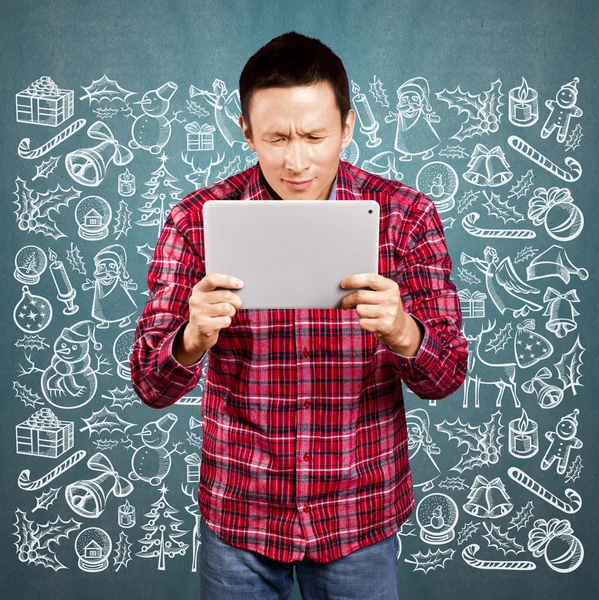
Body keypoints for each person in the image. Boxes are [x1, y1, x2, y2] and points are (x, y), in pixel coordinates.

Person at [130, 31, 469, 600]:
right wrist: (191, 338)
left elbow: (449, 374)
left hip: (358, 512)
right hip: (240, 513)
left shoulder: (407, 216)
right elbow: (147, 382)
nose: (296, 161)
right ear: (245, 131)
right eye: (276, 138)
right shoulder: (195, 221)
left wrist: (402, 329)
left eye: (314, 136)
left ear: (348, 127)